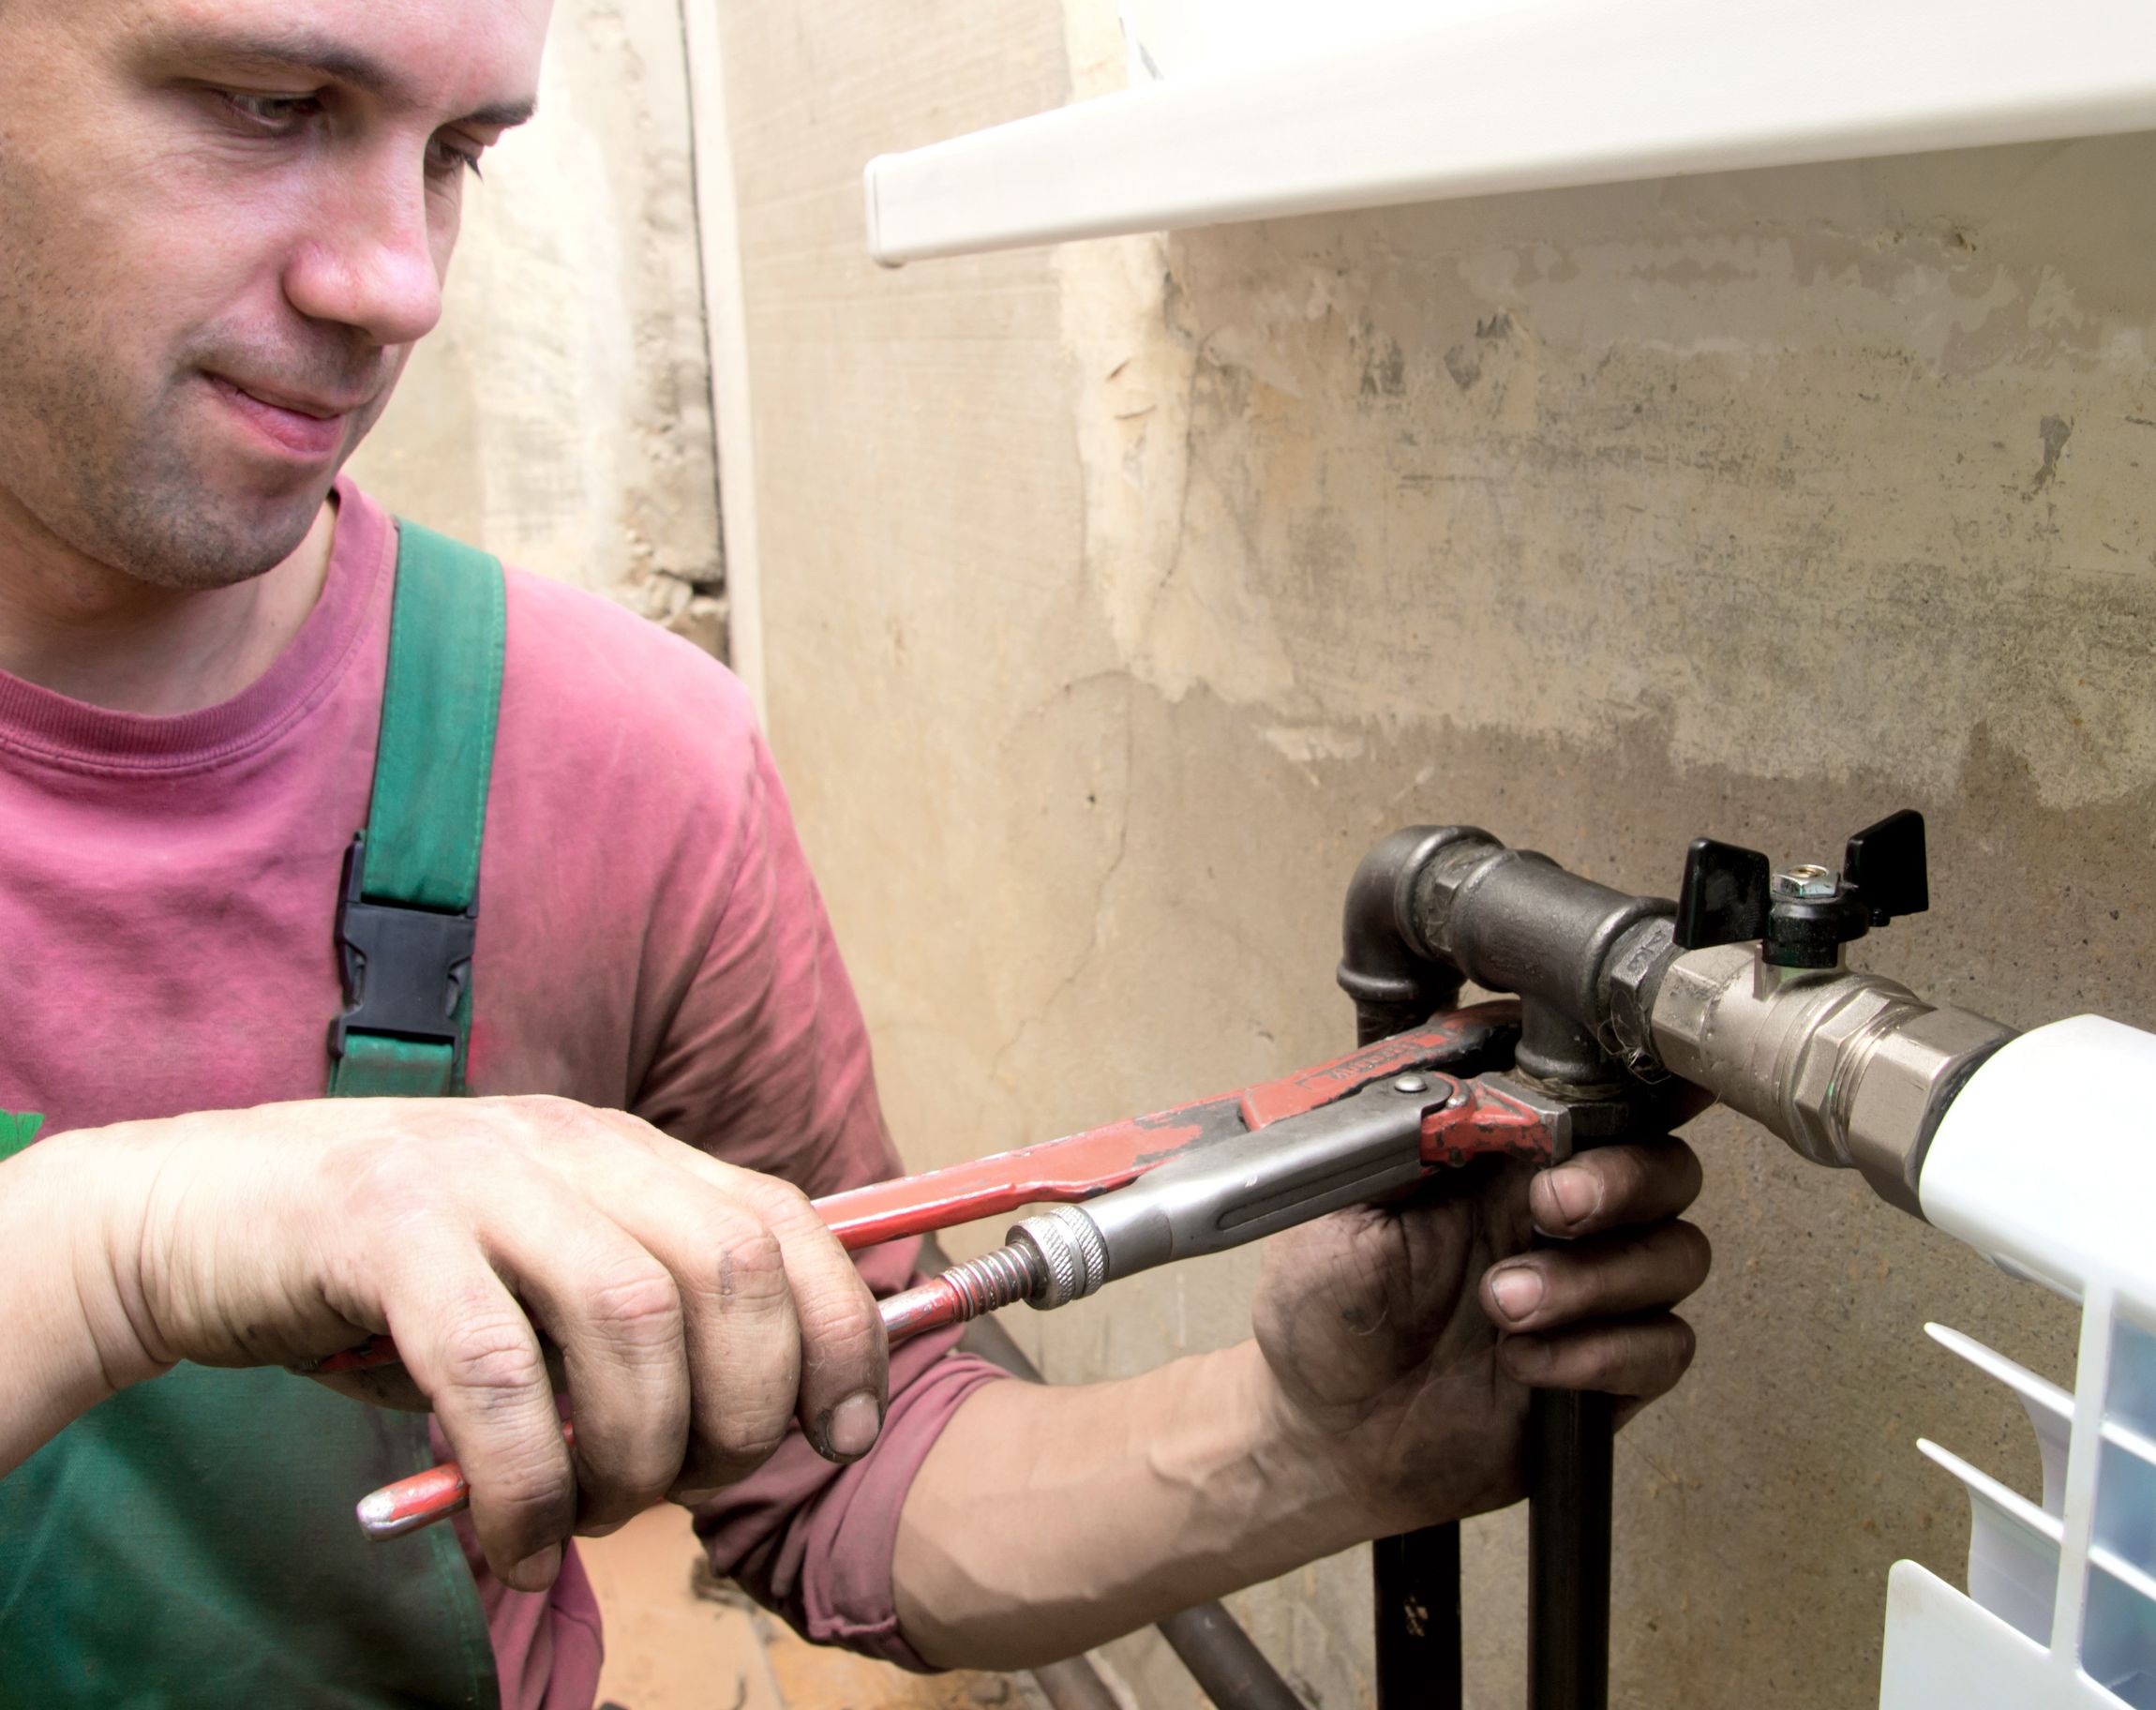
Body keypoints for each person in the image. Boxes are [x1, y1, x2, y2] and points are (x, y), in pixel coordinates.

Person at [0, 0, 1713, 1703]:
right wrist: (117, 1249)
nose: (398, 285)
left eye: (457, 154)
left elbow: (843, 1468)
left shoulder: (618, 758)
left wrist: (1306, 1444)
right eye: (266, 103)